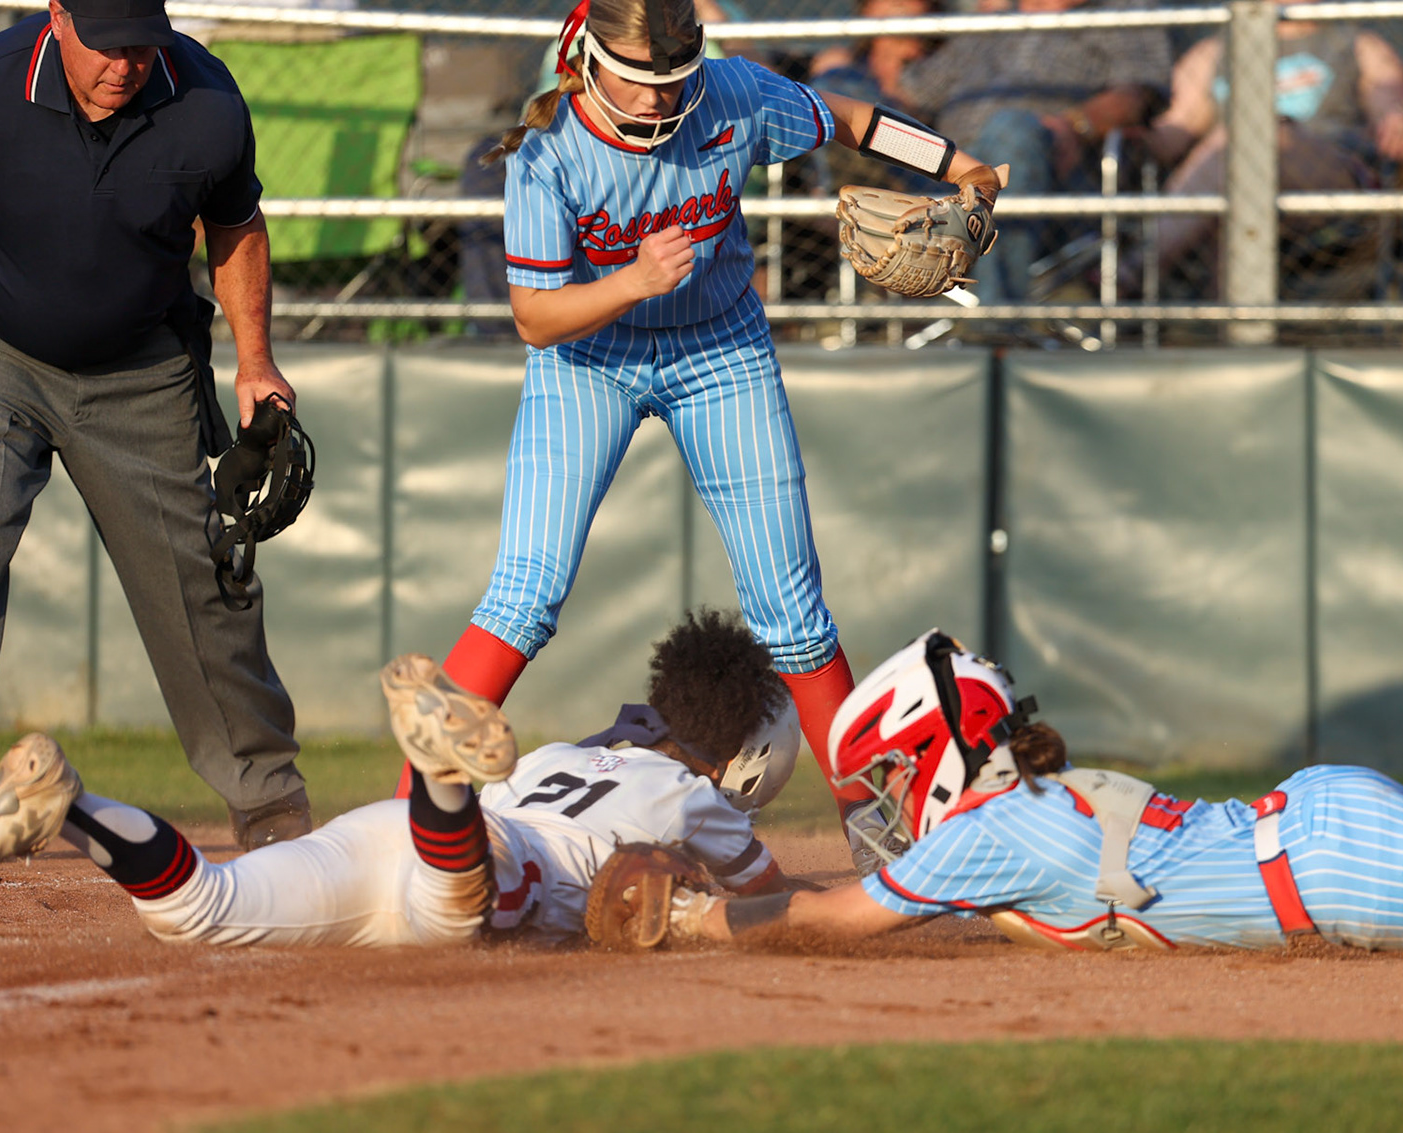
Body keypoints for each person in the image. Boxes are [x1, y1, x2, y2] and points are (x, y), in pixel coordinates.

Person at [430, 0, 1004, 866]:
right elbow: (537, 318)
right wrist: (631, 281)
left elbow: (846, 116)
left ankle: (874, 834)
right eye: (640, 79)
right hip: (591, 356)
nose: (662, 100)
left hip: (719, 350)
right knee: (523, 597)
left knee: (795, 616)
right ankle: (418, 810)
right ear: (583, 59)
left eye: (674, 79)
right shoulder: (547, 154)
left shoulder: (727, 94)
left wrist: (958, 162)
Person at [652, 575, 1403, 953]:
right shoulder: (1037, 796)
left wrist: (700, 923)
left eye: (903, 779)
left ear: (946, 750)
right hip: (1321, 836)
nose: (902, 805)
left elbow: (828, 916)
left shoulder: (992, 826)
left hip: (1337, 871)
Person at [0, 0, 310, 850]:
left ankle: (267, 795)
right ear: (57, 16)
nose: (125, 64)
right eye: (105, 44)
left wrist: (255, 362)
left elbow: (236, 225)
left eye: (144, 43)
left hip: (142, 367)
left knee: (199, 578)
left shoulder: (204, 101)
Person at [0, 611, 804, 946]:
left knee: (201, 912)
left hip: (389, 834)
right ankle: (439, 769)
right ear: (744, 761)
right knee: (455, 913)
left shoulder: (562, 755)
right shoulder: (696, 798)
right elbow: (769, 899)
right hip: (485, 861)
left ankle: (65, 809)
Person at [891, 0, 1173, 303]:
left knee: (1012, 132)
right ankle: (862, 297)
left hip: (1052, 173)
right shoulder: (991, 21)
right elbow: (912, 94)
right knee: (849, 95)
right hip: (946, 173)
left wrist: (1076, 124)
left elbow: (1138, 96)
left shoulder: (1119, 14)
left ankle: (997, 322)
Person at [1144, 14, 1403, 295]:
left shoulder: (1357, 44)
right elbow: (1177, 129)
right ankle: (1231, 323)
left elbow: (1390, 101)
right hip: (1231, 179)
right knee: (1239, 151)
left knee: (1253, 134)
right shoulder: (1213, 53)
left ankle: (1132, 270)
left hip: (1325, 177)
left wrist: (1397, 119)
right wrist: (1133, 134)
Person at [809, 0, 950, 198]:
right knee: (831, 84)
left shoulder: (947, 63)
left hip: (925, 173)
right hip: (861, 174)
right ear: (866, 9)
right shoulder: (846, 70)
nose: (899, 4)